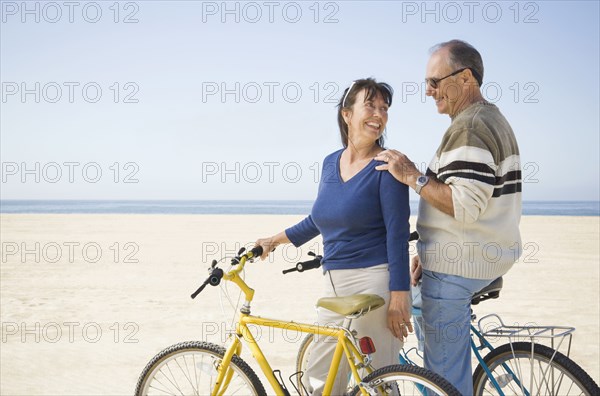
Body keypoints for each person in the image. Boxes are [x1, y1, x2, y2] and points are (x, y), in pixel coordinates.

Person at [374, 40, 522, 395]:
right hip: (481, 258)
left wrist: (412, 175)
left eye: (435, 81)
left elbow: (464, 204)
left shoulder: (469, 127)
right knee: (425, 316)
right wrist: (431, 253)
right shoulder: (490, 118)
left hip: (461, 269)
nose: (429, 91)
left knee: (441, 381)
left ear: (466, 77)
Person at [254, 78, 412, 396]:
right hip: (333, 285)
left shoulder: (388, 165)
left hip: (376, 283)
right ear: (346, 114)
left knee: (378, 379)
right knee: (321, 380)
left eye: (384, 108)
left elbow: (397, 233)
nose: (378, 114)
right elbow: (321, 219)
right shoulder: (330, 163)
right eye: (370, 105)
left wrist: (399, 295)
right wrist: (275, 240)